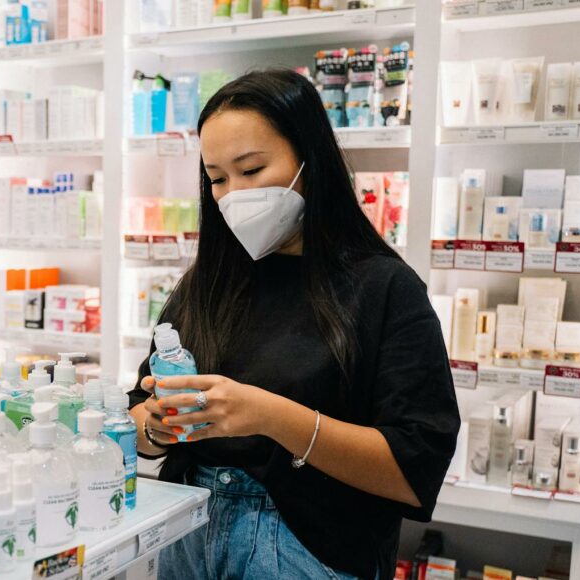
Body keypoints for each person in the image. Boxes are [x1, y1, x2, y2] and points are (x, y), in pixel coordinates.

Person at [128, 70, 460, 580]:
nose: (233, 194)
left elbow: (413, 469)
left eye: (252, 169)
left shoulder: (385, 289)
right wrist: (158, 425)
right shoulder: (207, 283)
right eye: (217, 178)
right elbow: (140, 420)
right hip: (189, 536)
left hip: (308, 548)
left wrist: (270, 416)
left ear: (311, 160)